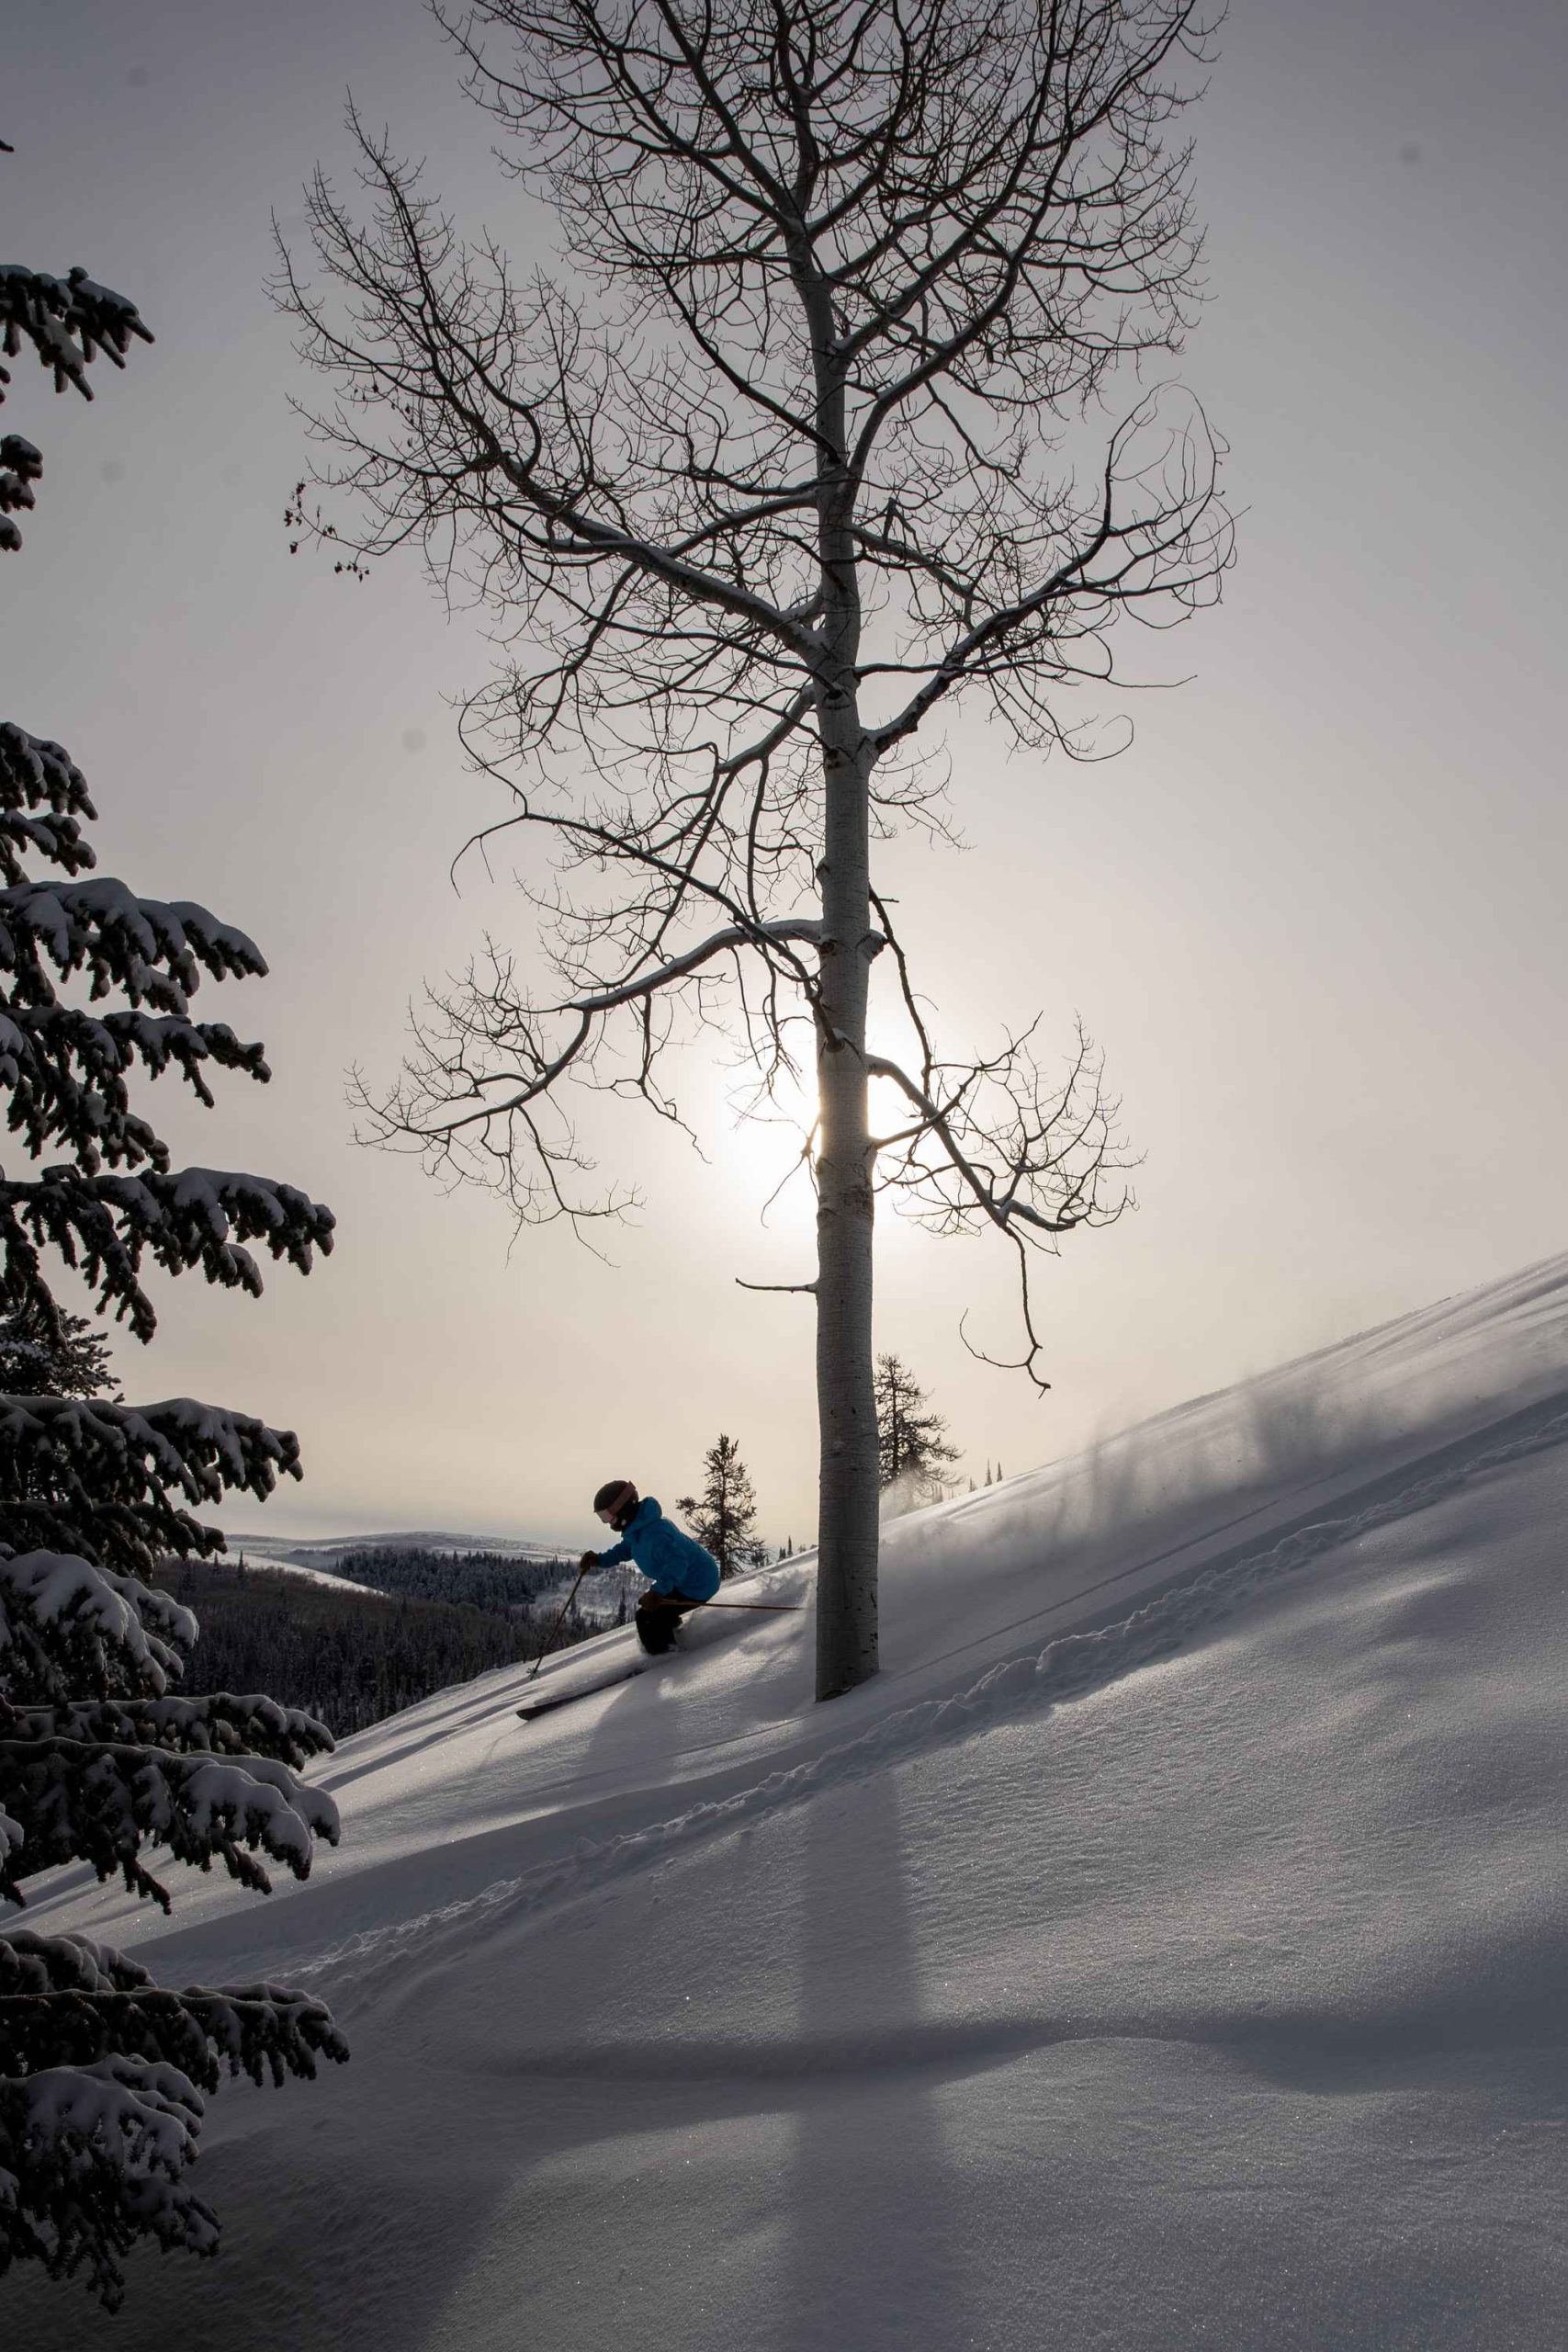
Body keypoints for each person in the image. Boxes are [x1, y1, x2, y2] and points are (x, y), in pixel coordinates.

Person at [582, 1478, 720, 1655]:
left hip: (698, 1583)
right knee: (659, 1615)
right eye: (604, 1517)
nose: (608, 1522)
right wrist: (599, 1560)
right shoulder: (639, 1530)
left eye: (608, 1516)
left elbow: (678, 1562)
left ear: (625, 1509)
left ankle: (666, 1658)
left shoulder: (655, 1535)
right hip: (686, 1581)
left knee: (646, 1617)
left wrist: (658, 1591)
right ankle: (674, 1637)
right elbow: (624, 1550)